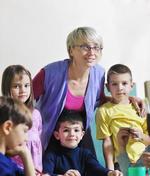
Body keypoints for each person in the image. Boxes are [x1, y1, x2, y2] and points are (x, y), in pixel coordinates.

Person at [33, 26, 144, 156]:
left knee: (91, 170)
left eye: (96, 47)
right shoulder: (50, 73)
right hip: (52, 133)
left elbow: (100, 100)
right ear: (71, 50)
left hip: (80, 133)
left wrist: (128, 99)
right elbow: (25, 99)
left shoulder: (99, 73)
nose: (92, 52)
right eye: (85, 47)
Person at [43, 110, 124, 176]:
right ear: (57, 135)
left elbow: (97, 169)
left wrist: (110, 173)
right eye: (66, 130)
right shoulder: (51, 154)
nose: (72, 134)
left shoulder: (85, 154)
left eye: (76, 130)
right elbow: (45, 174)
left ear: (82, 135)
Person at [96, 64, 149, 171]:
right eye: (114, 84)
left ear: (131, 85)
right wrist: (110, 171)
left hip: (144, 162)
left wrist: (141, 136)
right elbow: (107, 143)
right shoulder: (104, 111)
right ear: (108, 87)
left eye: (124, 83)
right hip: (120, 163)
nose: (120, 88)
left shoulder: (140, 108)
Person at [0, 96, 51, 176]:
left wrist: (25, 153)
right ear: (7, 127)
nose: (26, 138)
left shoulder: (7, 161)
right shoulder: (1, 165)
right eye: (24, 131)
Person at [1, 65, 43, 172]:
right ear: (7, 88)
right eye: (16, 86)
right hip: (14, 172)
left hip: (36, 171)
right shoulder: (5, 114)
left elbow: (38, 144)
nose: (22, 90)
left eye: (26, 85)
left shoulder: (36, 114)